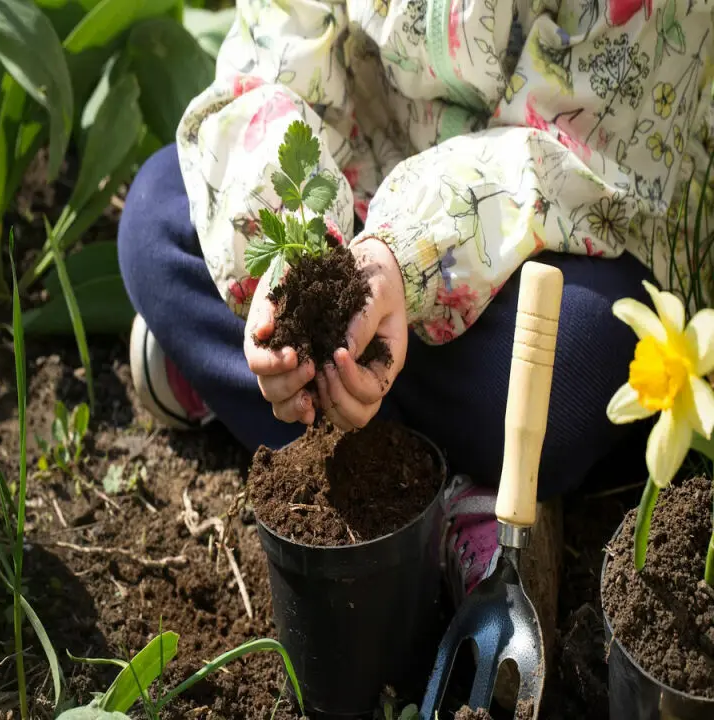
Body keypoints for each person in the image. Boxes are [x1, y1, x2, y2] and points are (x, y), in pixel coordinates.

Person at [118, 0, 713, 640]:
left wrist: (407, 257)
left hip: (550, 220)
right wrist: (299, 248)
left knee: (575, 357)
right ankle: (439, 471)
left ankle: (273, 396)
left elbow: (583, 150)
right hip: (363, 183)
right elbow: (277, 55)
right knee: (156, 220)